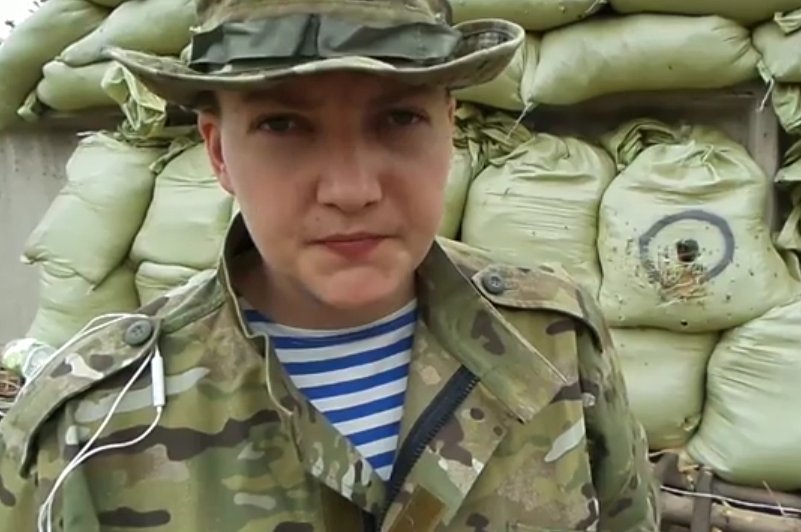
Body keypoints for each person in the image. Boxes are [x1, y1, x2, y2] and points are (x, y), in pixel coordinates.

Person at [0, 0, 660, 530]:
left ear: (449, 127)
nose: (351, 189)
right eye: (283, 126)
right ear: (218, 153)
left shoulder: (552, 339)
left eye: (398, 118)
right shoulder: (93, 422)